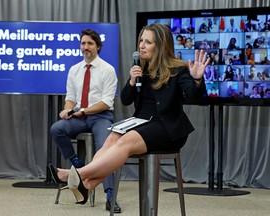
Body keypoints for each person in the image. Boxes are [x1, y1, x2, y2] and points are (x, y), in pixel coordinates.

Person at [49, 23, 210, 206]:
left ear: (160, 46)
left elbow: (193, 96)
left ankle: (78, 174)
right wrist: (133, 81)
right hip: (141, 122)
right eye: (141, 40)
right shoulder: (140, 68)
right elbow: (125, 99)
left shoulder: (178, 69)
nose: (141, 45)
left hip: (167, 127)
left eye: (147, 42)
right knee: (113, 137)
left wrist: (197, 79)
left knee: (126, 140)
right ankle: (88, 185)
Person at [49, 29, 121, 213]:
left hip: (101, 117)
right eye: (83, 43)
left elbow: (106, 102)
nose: (85, 47)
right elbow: (71, 97)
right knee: (57, 129)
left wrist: (82, 111)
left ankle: (110, 195)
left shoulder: (108, 69)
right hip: (79, 117)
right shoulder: (74, 70)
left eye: (90, 43)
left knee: (106, 148)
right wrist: (67, 109)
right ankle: (78, 166)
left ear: (97, 46)